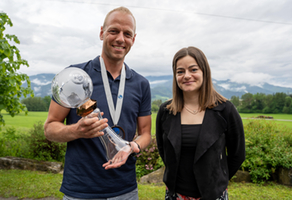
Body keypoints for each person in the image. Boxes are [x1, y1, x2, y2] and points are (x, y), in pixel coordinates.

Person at [44, 6, 152, 200]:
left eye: (127, 34)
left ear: (133, 40)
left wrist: (132, 147)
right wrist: (75, 131)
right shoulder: (74, 77)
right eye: (113, 31)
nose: (120, 38)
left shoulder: (141, 84)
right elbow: (50, 128)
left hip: (126, 190)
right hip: (80, 190)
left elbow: (145, 134)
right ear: (102, 33)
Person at [156, 46, 245, 200]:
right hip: (175, 195)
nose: (187, 76)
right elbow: (164, 152)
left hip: (213, 195)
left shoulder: (226, 110)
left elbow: (237, 154)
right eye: (180, 71)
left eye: (193, 69)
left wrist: (217, 180)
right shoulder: (166, 111)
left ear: (204, 71)